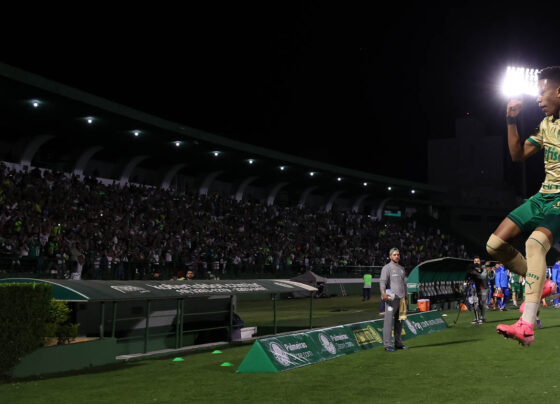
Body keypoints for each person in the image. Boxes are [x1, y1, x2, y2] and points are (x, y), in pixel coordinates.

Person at [489, 67, 560, 345]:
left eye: (543, 92)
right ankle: (541, 283)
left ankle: (527, 325)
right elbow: (517, 154)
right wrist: (510, 119)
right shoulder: (545, 125)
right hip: (543, 196)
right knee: (494, 245)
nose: (538, 97)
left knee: (533, 244)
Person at [379, 248, 408, 352]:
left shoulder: (401, 268)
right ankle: (387, 344)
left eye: (398, 254)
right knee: (388, 321)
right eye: (394, 255)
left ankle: (398, 343)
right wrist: (383, 294)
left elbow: (404, 284)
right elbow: (382, 282)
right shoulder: (387, 268)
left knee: (400, 322)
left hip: (401, 299)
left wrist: (406, 297)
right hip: (391, 299)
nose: (397, 256)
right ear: (390, 256)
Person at [469, 256, 488, 324]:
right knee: (475, 303)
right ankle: (477, 318)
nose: (476, 262)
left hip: (484, 288)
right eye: (475, 261)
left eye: (478, 261)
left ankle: (482, 318)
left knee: (482, 303)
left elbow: (482, 276)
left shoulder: (484, 268)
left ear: (480, 262)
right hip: (476, 289)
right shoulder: (472, 269)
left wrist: (475, 273)